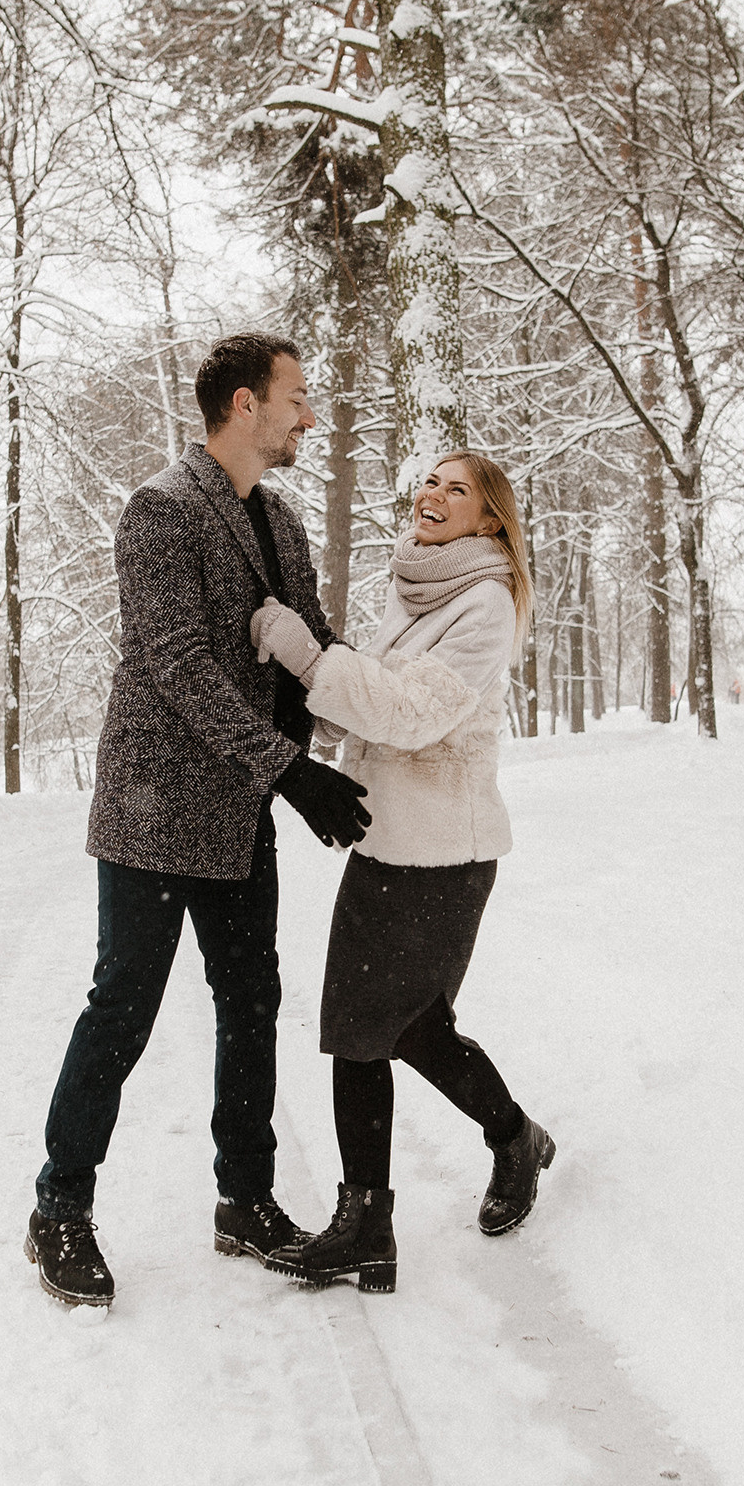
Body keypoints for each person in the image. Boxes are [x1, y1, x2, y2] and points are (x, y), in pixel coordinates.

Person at [26, 332, 374, 1308]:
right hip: (151, 812)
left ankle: (246, 1200)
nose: (310, 415)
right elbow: (179, 667)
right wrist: (291, 772)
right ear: (241, 405)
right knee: (124, 1009)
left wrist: (376, 705)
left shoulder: (286, 522)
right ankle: (59, 1207)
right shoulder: (159, 513)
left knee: (251, 1001)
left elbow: (308, 644)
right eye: (296, 397)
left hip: (237, 809)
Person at [245, 449, 554, 1295]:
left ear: (491, 521)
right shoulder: (417, 586)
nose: (434, 495)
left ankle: (386, 1213)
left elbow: (414, 713)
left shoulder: (485, 602)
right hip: (394, 843)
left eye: (459, 490)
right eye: (429, 481)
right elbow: (382, 684)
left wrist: (310, 660)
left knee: (379, 1028)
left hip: (444, 855)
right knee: (388, 1027)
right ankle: (469, 1163)